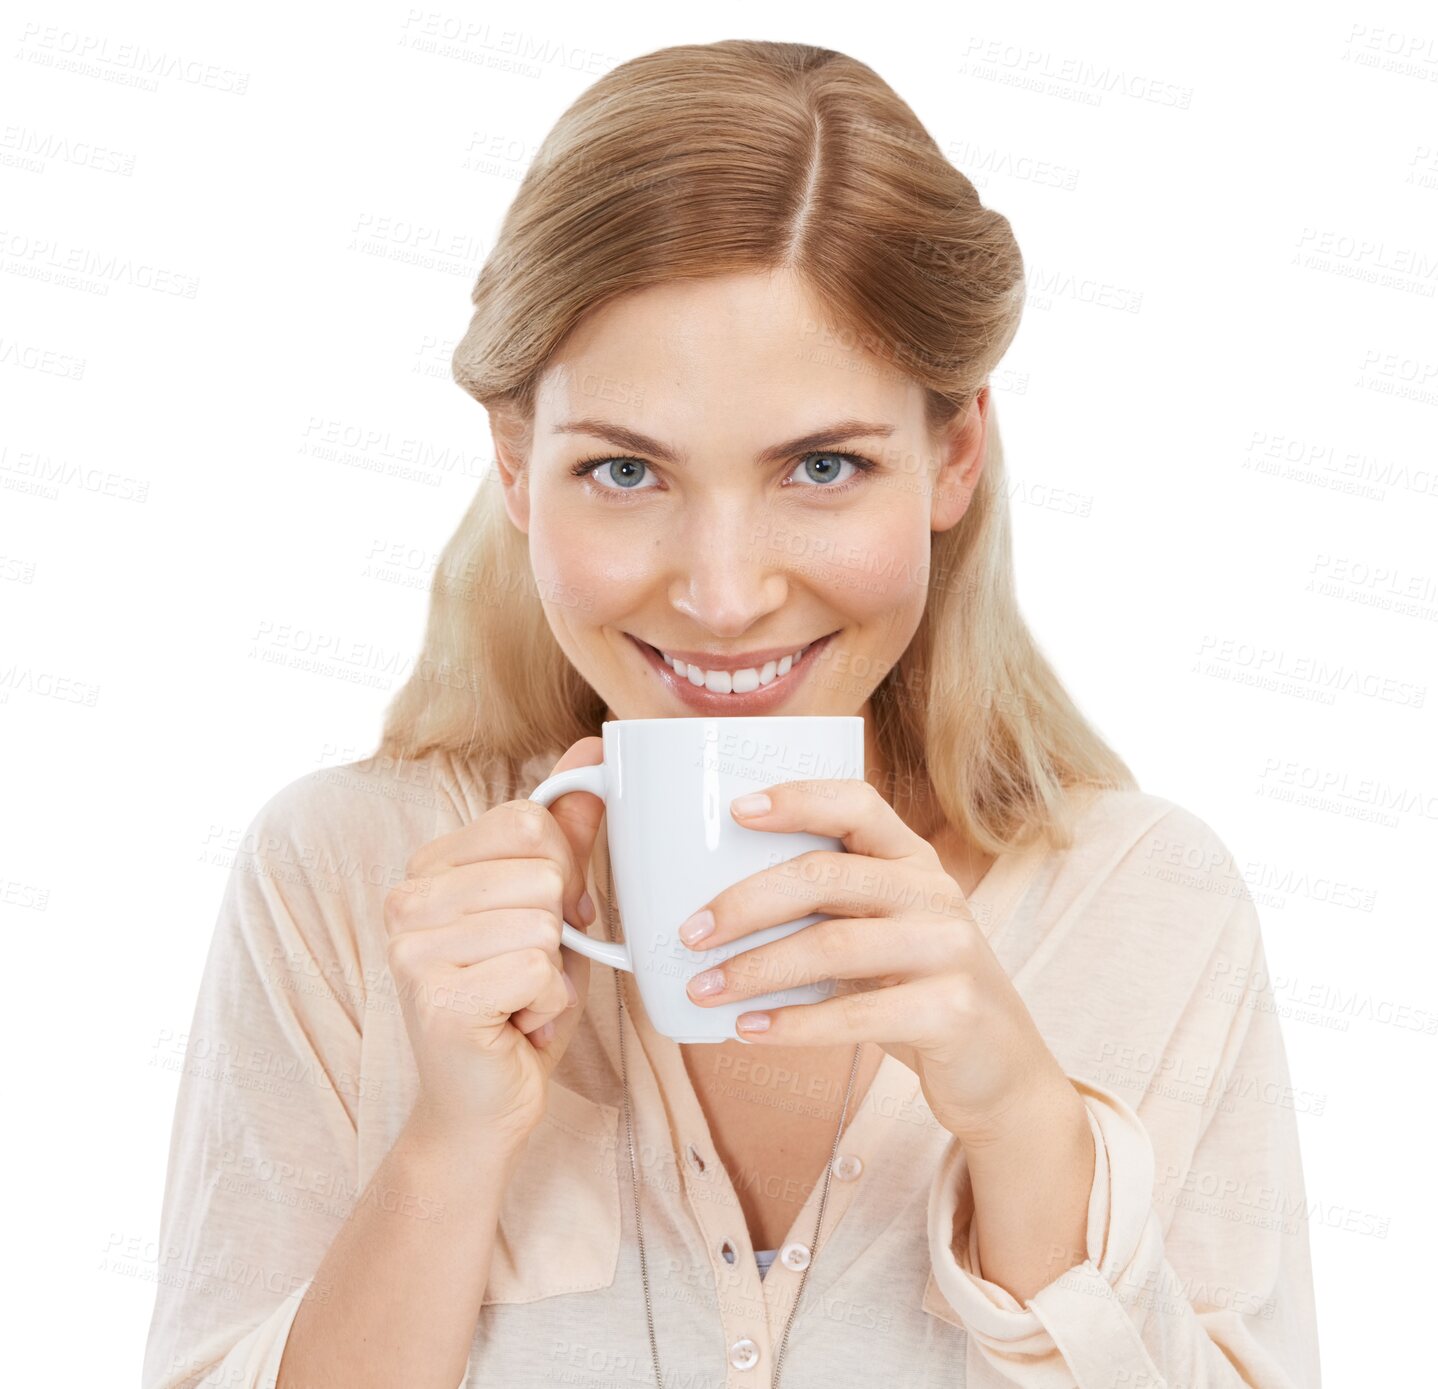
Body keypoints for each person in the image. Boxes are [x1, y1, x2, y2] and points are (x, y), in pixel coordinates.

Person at [142, 38, 1321, 1389]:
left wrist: (1017, 1117)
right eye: (626, 468)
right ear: (517, 464)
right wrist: (448, 1146)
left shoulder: (1146, 905)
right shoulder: (344, 880)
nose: (720, 592)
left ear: (950, 453)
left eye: (821, 465)